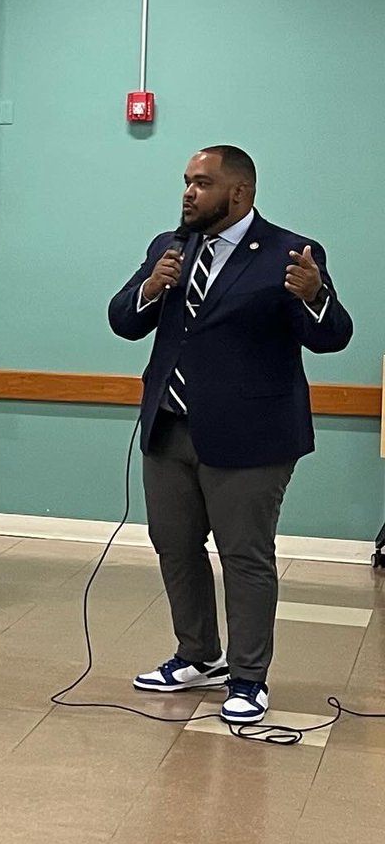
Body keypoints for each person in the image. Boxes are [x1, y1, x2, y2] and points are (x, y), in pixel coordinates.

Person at [109, 145, 352, 724]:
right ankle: (197, 655)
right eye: (186, 182)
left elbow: (333, 336)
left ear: (239, 193)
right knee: (174, 545)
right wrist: (149, 288)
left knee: (244, 555)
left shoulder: (290, 253)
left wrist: (315, 296)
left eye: (202, 183)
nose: (188, 193)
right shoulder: (167, 247)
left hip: (253, 437)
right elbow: (123, 321)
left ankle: (247, 678)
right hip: (170, 428)